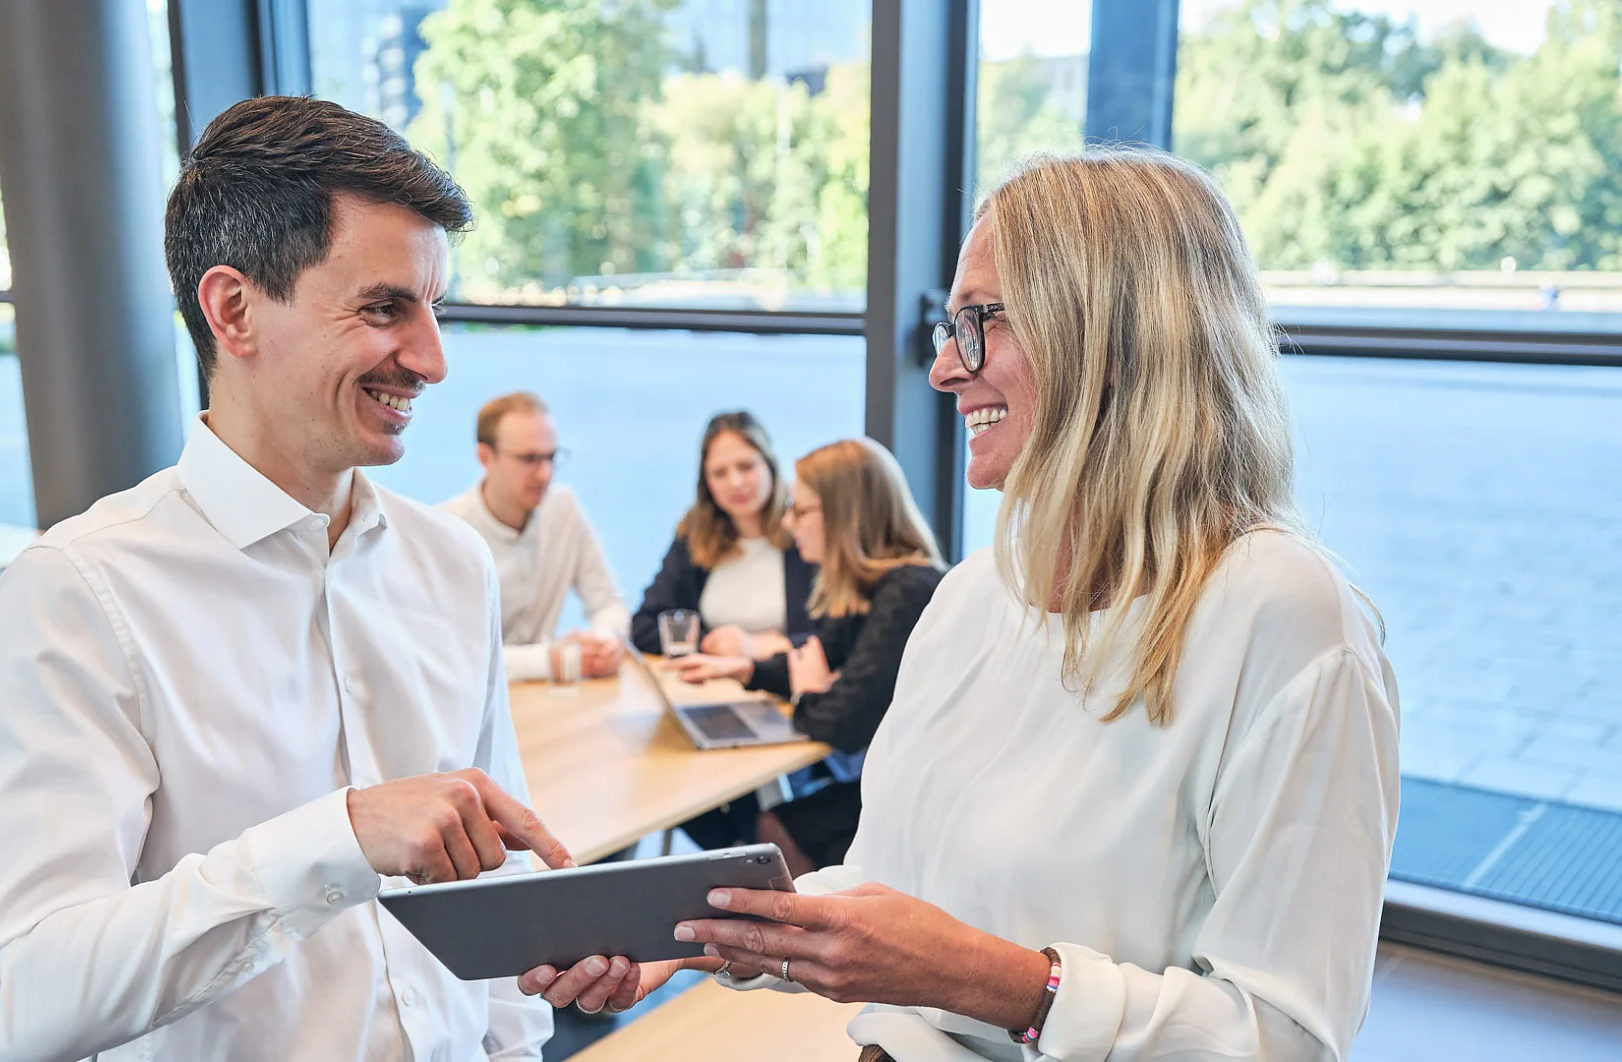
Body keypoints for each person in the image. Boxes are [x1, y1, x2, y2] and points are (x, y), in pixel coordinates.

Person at [522, 149, 1400, 1062]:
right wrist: (687, 934)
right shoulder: (975, 598)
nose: (944, 369)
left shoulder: (1285, 618)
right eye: (949, 326)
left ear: (1116, 335)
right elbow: (886, 886)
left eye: (980, 322)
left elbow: (1284, 1037)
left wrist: (991, 980)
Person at [0, 96, 577, 1062]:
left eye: (434, 308)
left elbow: (487, 882)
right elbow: (24, 996)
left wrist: (533, 1004)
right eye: (384, 308)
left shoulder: (452, 564)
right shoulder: (80, 592)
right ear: (233, 310)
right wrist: (338, 839)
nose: (433, 359)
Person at [670, 437, 944, 877]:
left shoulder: (908, 590)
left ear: (843, 515)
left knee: (774, 826)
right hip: (895, 774)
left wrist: (810, 691)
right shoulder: (868, 586)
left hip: (926, 793)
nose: (787, 521)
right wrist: (748, 669)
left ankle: (800, 940)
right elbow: (816, 658)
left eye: (799, 510)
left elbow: (839, 723)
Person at [441, 391, 629, 683]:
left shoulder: (564, 510)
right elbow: (450, 655)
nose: (545, 474)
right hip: (475, 708)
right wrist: (550, 660)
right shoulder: (448, 531)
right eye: (529, 459)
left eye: (551, 457)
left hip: (547, 699)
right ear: (485, 457)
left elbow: (608, 602)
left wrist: (604, 641)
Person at [631, 411, 816, 660]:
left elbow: (836, 636)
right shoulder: (695, 533)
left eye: (746, 466)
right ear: (706, 482)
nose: (736, 483)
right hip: (712, 685)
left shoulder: (807, 531)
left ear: (770, 465)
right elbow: (645, 626)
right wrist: (714, 644)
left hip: (788, 685)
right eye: (719, 473)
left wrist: (764, 647)